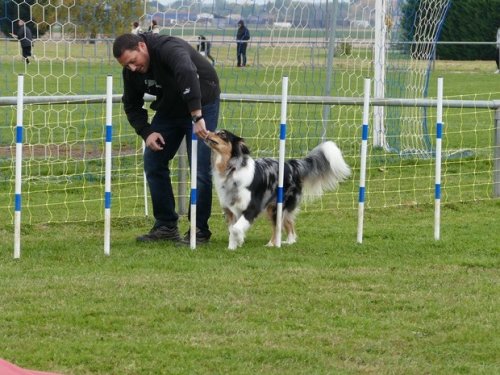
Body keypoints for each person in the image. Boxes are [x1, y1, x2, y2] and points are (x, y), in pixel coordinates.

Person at [112, 33, 220, 244]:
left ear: (142, 46)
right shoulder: (131, 73)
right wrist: (146, 132)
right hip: (170, 106)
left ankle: (199, 230)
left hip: (202, 101)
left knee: (199, 166)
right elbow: (131, 105)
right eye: (126, 65)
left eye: (133, 61)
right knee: (153, 160)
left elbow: (187, 72)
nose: (132, 68)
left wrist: (197, 116)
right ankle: (166, 226)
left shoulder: (168, 48)